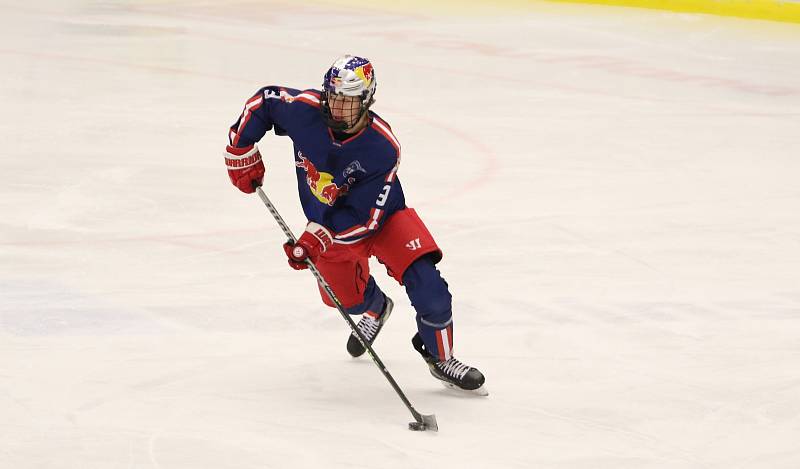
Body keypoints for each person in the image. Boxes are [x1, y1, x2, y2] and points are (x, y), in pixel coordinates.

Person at [223, 54, 486, 394]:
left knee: (431, 290)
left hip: (384, 221)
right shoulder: (305, 110)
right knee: (348, 302)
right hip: (325, 229)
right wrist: (240, 147)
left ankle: (442, 358)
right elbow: (265, 101)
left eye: (347, 102)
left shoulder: (382, 146)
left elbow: (366, 218)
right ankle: (377, 308)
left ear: (367, 101)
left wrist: (319, 237)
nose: (336, 108)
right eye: (333, 98)